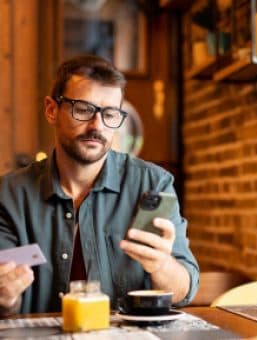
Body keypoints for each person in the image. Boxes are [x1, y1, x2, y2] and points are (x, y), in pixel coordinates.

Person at [0, 55, 199, 315]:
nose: (97, 126)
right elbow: (7, 303)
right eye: (83, 109)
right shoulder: (10, 195)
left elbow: (185, 290)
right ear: (51, 110)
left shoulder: (152, 184)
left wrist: (162, 265)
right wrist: (6, 297)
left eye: (110, 113)